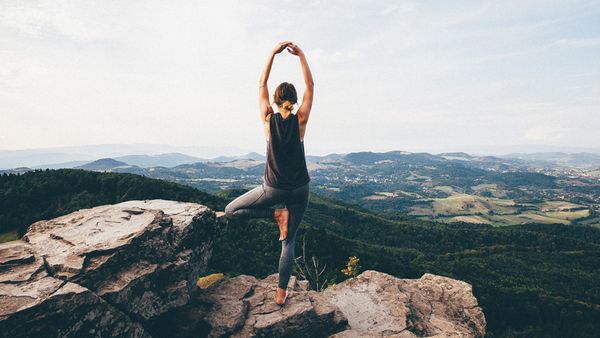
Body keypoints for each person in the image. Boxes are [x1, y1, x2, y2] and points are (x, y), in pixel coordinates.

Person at [224, 40, 314, 306]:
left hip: (272, 188)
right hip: (300, 189)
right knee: (289, 242)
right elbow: (311, 87)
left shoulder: (267, 119)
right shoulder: (300, 121)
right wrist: (302, 56)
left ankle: (275, 214)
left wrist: (272, 54)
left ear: (275, 101)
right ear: (294, 102)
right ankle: (281, 294)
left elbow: (261, 84)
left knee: (231, 210)